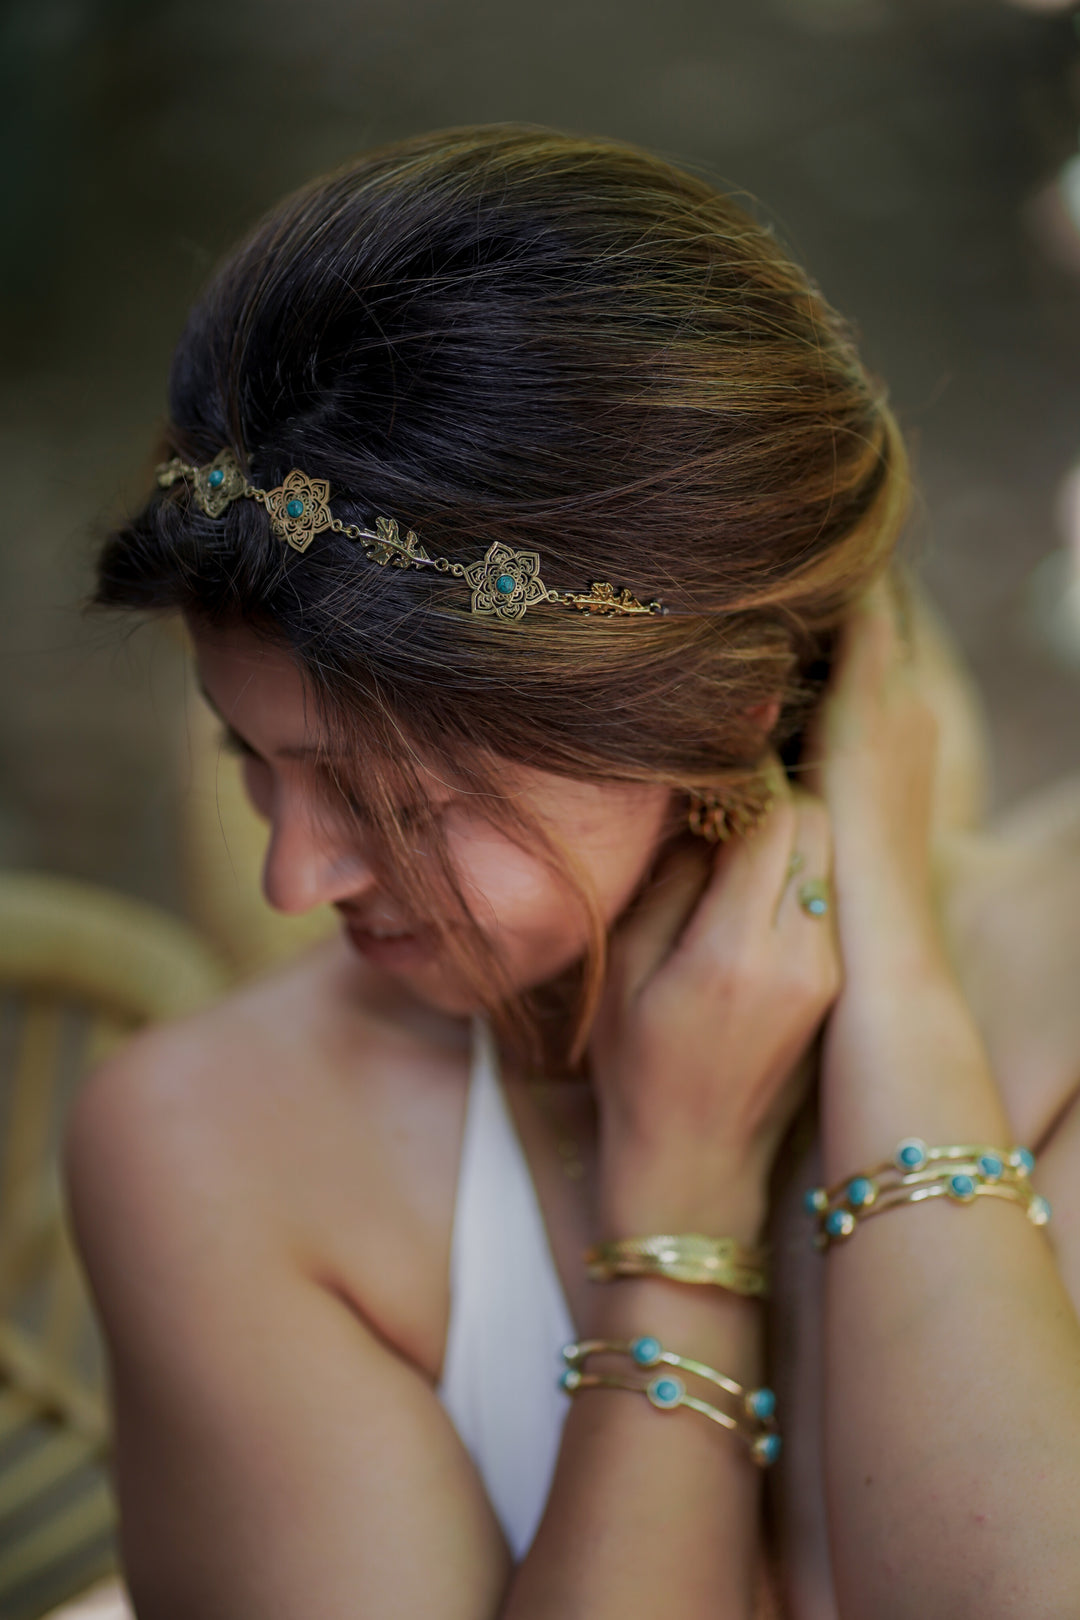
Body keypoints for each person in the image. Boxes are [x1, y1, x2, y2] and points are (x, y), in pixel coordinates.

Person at [65, 126, 1080, 1620]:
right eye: (249, 762)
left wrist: (900, 1021)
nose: (292, 883)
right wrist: (678, 1228)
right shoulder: (209, 1144)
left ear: (727, 714)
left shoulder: (1058, 1004)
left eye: (399, 807)